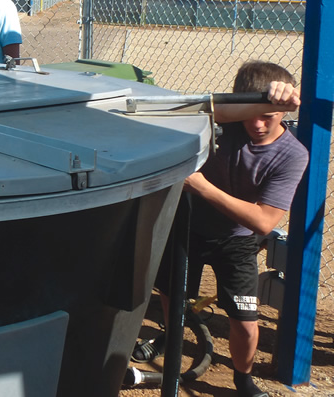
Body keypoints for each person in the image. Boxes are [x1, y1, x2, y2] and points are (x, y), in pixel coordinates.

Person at [132, 61, 309, 397]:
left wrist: (202, 186)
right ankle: (171, 336)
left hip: (236, 241)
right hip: (187, 226)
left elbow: (264, 220)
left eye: (268, 116)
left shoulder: (292, 154)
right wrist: (253, 104)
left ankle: (242, 378)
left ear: (283, 111)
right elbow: (186, 110)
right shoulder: (226, 124)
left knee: (244, 322)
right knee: (172, 292)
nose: (257, 124)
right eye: (251, 113)